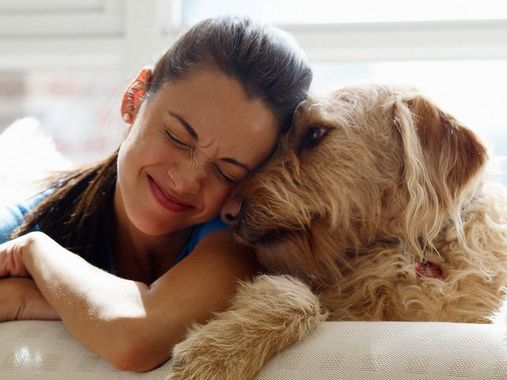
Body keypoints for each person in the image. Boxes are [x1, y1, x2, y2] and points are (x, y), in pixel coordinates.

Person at [0, 16, 312, 371]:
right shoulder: (28, 219)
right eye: (178, 137)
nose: (185, 181)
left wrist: (33, 257)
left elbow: (134, 338)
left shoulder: (234, 245)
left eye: (227, 171)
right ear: (134, 97)